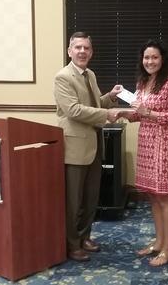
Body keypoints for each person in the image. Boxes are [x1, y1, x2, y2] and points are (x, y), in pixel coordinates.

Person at [53, 31, 123, 262]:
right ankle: (72, 244)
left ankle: (84, 237)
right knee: (74, 201)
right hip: (74, 148)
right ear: (69, 51)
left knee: (90, 198)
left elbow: (93, 104)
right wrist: (107, 113)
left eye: (87, 48)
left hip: (94, 145)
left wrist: (110, 98)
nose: (82, 51)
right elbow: (73, 110)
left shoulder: (89, 74)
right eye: (78, 47)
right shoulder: (63, 77)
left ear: (91, 52)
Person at [120, 39, 168, 267]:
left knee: (165, 197)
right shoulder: (143, 82)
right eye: (146, 57)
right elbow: (139, 115)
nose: (149, 61)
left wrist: (150, 112)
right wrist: (124, 113)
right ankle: (158, 242)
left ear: (162, 59)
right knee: (152, 196)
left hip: (162, 144)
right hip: (146, 144)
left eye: (154, 57)